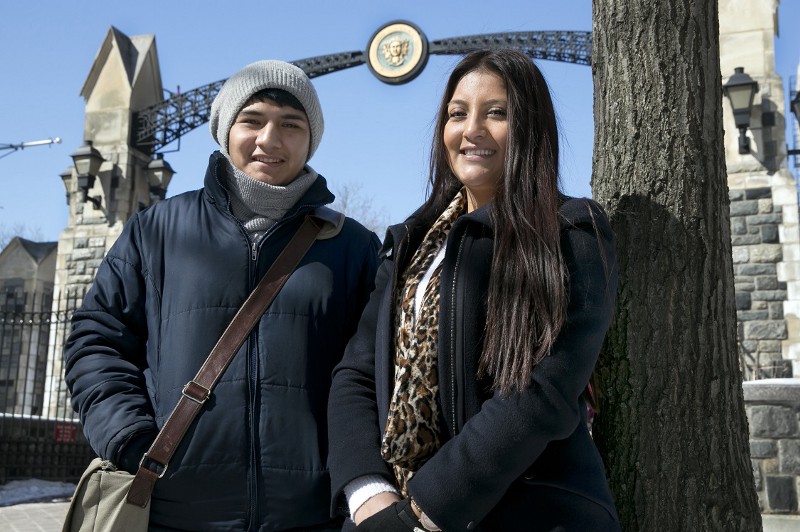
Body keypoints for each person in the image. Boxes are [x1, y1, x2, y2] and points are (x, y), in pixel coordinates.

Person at [64, 60, 381, 530]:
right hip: (173, 515)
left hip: (311, 517)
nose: (269, 140)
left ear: (310, 139)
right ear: (224, 129)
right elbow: (97, 339)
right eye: (252, 120)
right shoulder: (158, 231)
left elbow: (375, 372)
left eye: (291, 125)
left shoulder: (352, 247)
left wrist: (358, 479)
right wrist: (131, 438)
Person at [327, 49, 620, 531]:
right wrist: (368, 492)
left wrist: (425, 510)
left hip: (525, 511)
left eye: (497, 113)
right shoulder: (409, 243)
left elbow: (542, 391)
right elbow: (355, 374)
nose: (471, 130)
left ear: (531, 128)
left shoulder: (570, 230)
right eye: (457, 113)